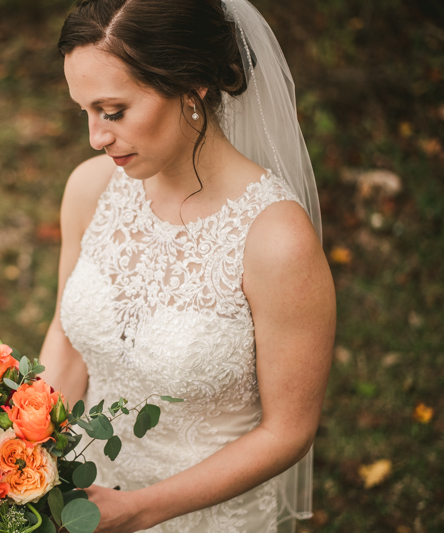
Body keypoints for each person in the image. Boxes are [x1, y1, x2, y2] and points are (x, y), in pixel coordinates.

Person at [38, 0, 335, 532]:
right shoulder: (89, 189)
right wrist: (28, 452)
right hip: (85, 490)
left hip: (208, 514)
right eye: (82, 110)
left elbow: (288, 430)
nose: (95, 137)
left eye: (114, 111)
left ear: (192, 83)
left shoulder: (275, 240)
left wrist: (137, 511)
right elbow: (66, 333)